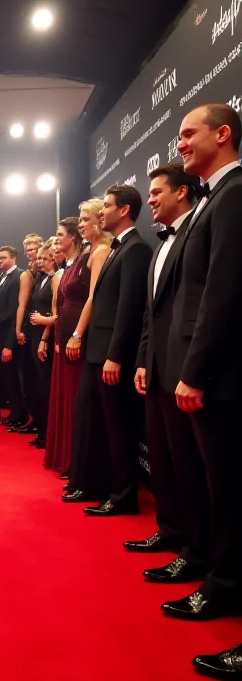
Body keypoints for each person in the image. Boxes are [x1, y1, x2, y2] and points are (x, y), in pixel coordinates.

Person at [161, 104, 242, 622]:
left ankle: (226, 587)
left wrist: (195, 371)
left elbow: (224, 292)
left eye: (189, 134)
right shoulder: (219, 199)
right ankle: (220, 582)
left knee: (232, 495)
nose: (181, 144)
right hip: (215, 375)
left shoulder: (233, 195)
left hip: (223, 380)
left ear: (224, 133)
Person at [128, 165, 211, 587]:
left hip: (184, 370)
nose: (152, 200)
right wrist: (144, 359)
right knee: (163, 459)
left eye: (158, 192)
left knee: (188, 466)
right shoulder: (161, 246)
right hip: (157, 369)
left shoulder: (197, 232)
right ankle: (172, 530)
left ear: (183, 192)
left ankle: (195, 552)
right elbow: (151, 313)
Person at [79, 186, 151, 517]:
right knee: (106, 427)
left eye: (106, 206)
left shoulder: (135, 249)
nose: (101, 212)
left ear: (123, 211)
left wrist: (115, 355)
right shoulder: (117, 248)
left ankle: (124, 496)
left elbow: (128, 308)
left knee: (119, 428)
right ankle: (112, 487)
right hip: (98, 353)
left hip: (111, 355)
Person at [57, 205, 112, 498]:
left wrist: (77, 334)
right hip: (79, 339)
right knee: (82, 410)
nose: (81, 225)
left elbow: (94, 298)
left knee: (89, 411)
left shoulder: (101, 251)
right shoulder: (88, 253)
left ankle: (90, 479)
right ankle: (83, 476)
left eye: (86, 219)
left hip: (90, 341)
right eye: (79, 220)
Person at [0, 246, 24, 425]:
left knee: (12, 379)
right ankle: (14, 414)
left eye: (3, 258)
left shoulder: (18, 276)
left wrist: (8, 344)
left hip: (8, 337)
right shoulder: (1, 277)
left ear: (13, 258)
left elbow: (15, 309)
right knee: (5, 379)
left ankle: (18, 415)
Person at [12, 235, 44, 435]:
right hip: (29, 331)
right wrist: (18, 330)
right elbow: (21, 305)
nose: (31, 253)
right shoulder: (27, 275)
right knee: (30, 378)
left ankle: (39, 419)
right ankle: (34, 418)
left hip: (41, 329)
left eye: (34, 249)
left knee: (38, 379)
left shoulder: (45, 272)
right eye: (28, 250)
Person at [27, 240, 58, 448]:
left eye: (44, 258)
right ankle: (42, 431)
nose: (40, 261)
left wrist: (45, 332)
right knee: (39, 386)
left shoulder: (55, 278)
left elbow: (56, 313)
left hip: (46, 338)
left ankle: (48, 435)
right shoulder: (42, 279)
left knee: (46, 386)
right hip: (36, 336)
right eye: (39, 258)